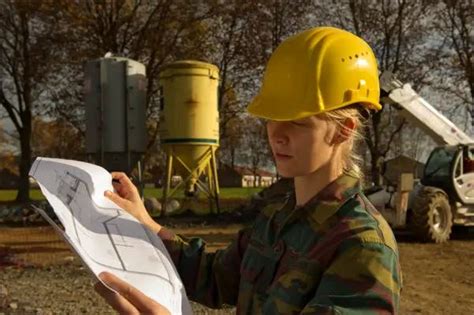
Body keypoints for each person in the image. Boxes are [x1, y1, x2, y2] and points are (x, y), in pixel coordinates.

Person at [95, 26, 403, 314]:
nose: (276, 134)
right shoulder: (276, 218)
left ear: (343, 131)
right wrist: (146, 223)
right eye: (271, 117)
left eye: (297, 121)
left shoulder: (362, 246)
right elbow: (215, 278)